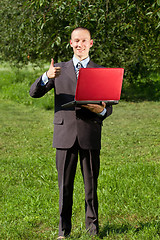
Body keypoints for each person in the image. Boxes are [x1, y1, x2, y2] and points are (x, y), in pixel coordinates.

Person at [29, 27, 112, 239]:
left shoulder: (100, 71)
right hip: (64, 135)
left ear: (90, 43)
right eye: (76, 40)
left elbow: (108, 106)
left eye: (84, 41)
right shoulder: (58, 69)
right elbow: (34, 93)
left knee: (91, 187)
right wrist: (46, 76)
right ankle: (63, 231)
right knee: (64, 187)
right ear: (70, 43)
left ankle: (92, 230)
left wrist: (101, 110)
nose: (80, 44)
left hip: (90, 135)